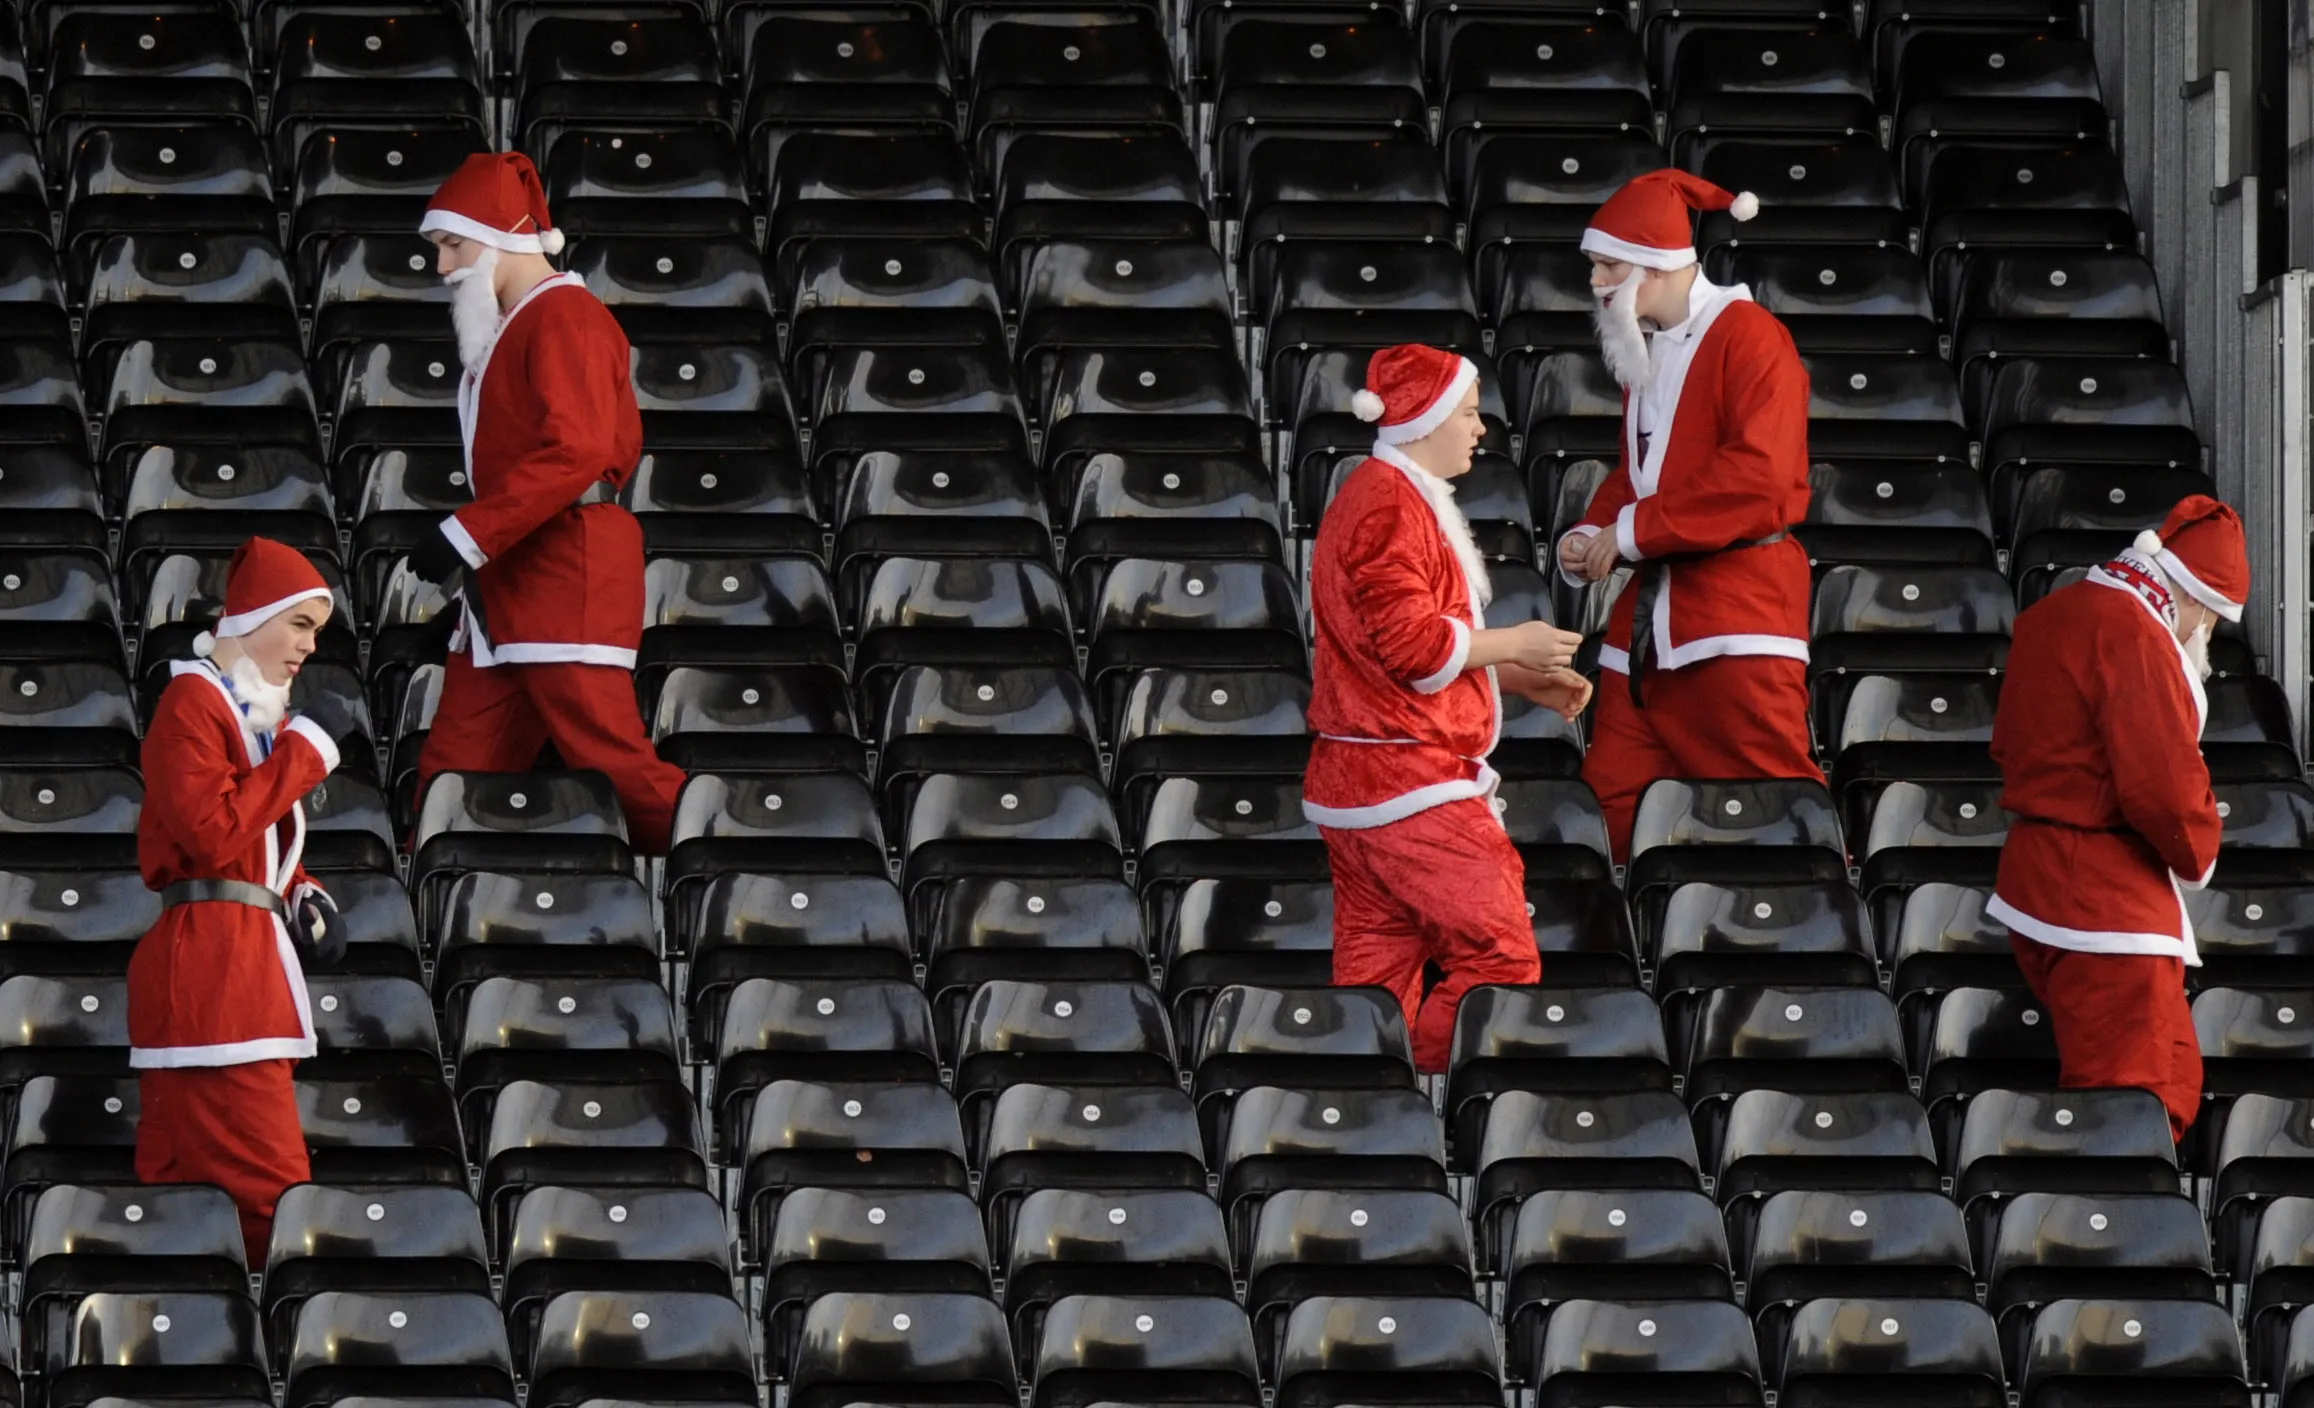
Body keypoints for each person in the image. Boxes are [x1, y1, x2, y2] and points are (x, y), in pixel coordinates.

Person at [1305, 343, 1593, 1072]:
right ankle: (1428, 1088)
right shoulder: (1389, 506)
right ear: (1424, 419)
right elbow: (1417, 651)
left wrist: (1521, 676)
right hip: (1412, 786)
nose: (1479, 429)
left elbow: (1389, 656)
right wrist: (1517, 643)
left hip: (1363, 780)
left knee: (1373, 984)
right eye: (1466, 414)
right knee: (1500, 958)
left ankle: (1374, 1114)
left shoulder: (1384, 493)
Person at [402, 151, 687, 854]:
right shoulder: (532, 321)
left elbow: (578, 451)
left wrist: (468, 534)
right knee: (450, 781)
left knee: (614, 765)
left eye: (452, 246)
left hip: (564, 572)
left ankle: (738, 862)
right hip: (514, 585)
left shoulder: (565, 316)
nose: (442, 268)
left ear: (504, 236)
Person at [1554, 169, 1820, 861]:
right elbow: (1640, 474)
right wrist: (1592, 533)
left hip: (1734, 615)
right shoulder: (1649, 345)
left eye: (1609, 266)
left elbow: (1757, 479)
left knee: (1776, 811)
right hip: (1651, 625)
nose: (1597, 283)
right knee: (1612, 809)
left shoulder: (1752, 338)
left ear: (1657, 262)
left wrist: (1629, 534)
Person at [1989, 495, 2246, 1140]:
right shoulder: (2134, 633)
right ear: (2194, 600)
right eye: (2211, 620)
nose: (2208, 636)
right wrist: (2201, 836)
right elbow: (2162, 786)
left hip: (2045, 884)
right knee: (2128, 1114)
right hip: (2105, 906)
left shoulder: (2057, 613)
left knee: (2169, 1079)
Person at [132, 537, 347, 1261]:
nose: (309, 647)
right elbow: (213, 832)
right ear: (254, 617)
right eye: (301, 625)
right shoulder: (191, 701)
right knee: (271, 1200)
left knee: (178, 1203)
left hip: (227, 965)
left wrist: (304, 891)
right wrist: (307, 750)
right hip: (217, 977)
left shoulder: (245, 717)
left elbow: (250, 842)